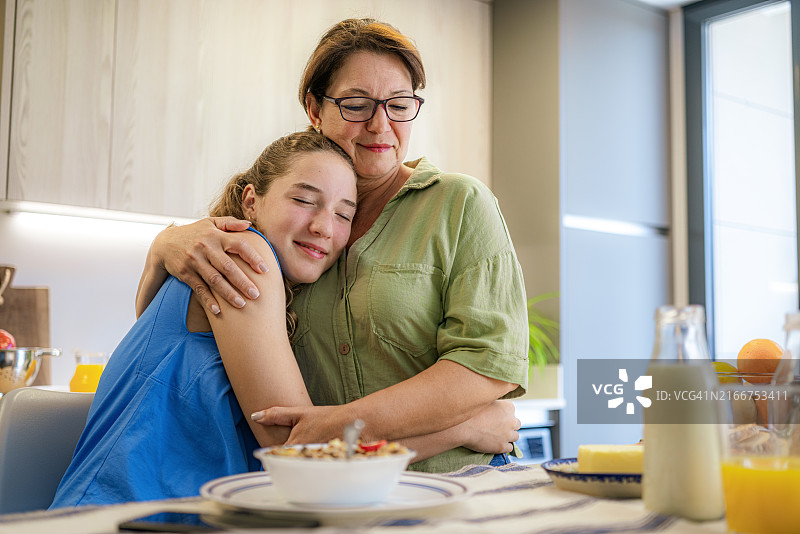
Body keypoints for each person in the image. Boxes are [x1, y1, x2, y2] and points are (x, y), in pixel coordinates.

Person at [136, 18, 529, 473]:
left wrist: (338, 425)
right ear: (314, 108)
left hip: (462, 480)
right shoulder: (283, 232)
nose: (381, 125)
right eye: (357, 105)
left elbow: (486, 364)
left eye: (399, 105)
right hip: (337, 493)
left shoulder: (458, 203)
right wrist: (162, 245)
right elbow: (166, 334)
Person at [50, 132, 357, 507]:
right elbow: (293, 445)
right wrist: (446, 428)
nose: (325, 227)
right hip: (116, 515)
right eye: (304, 200)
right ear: (251, 202)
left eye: (343, 214)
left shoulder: (223, 260)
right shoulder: (244, 255)